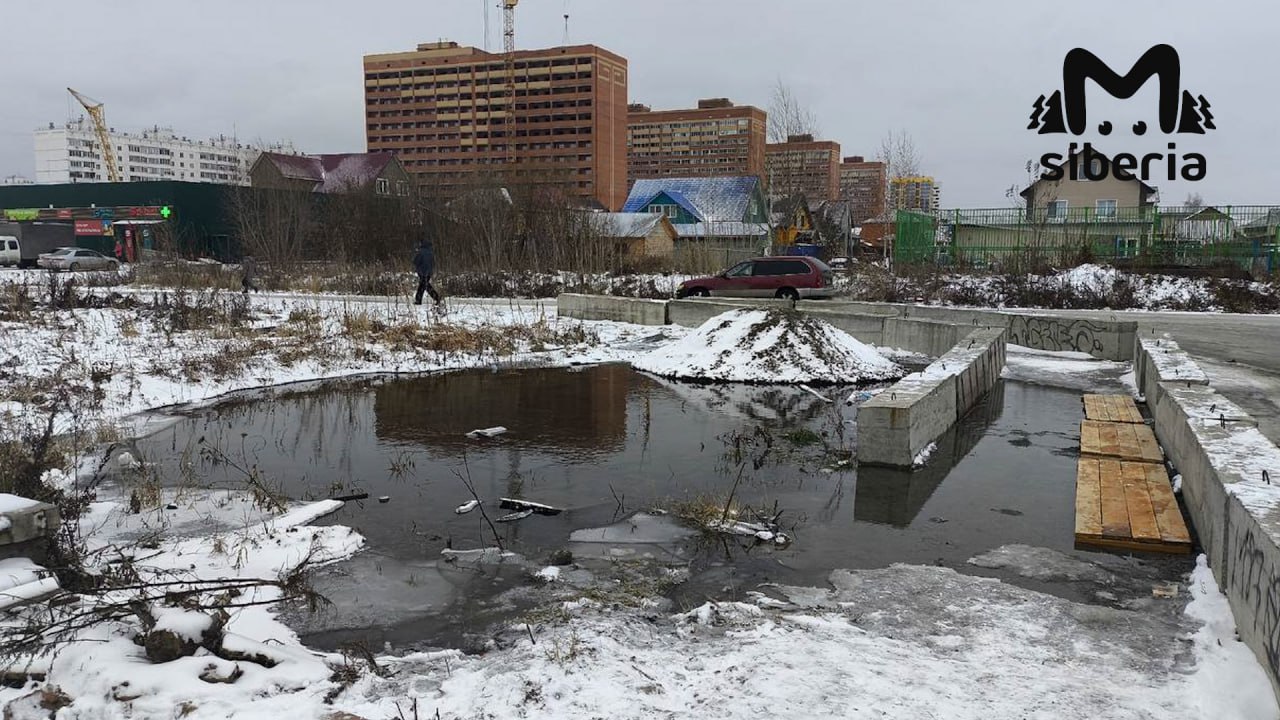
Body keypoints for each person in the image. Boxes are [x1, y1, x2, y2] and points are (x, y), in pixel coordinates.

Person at [413, 238, 441, 306]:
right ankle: (419, 299)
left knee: (425, 286)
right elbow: (433, 262)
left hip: (422, 272)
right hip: (429, 272)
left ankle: (436, 297)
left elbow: (416, 261)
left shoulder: (421, 252)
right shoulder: (431, 252)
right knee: (424, 285)